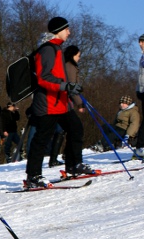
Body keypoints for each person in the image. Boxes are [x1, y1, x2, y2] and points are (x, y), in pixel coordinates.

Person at [25, 17, 92, 187]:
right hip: (48, 103)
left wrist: (70, 88)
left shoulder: (57, 48)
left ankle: (73, 165)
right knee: (42, 139)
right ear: (59, 30)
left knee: (76, 128)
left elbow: (59, 76)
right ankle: (33, 176)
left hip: (61, 103)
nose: (69, 32)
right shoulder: (47, 50)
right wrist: (65, 86)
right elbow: (43, 78)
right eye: (67, 29)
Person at [135, 34, 144, 157]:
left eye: (142, 42)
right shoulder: (142, 57)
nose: (140, 44)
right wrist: (138, 89)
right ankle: (140, 146)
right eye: (140, 42)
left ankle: (140, 146)